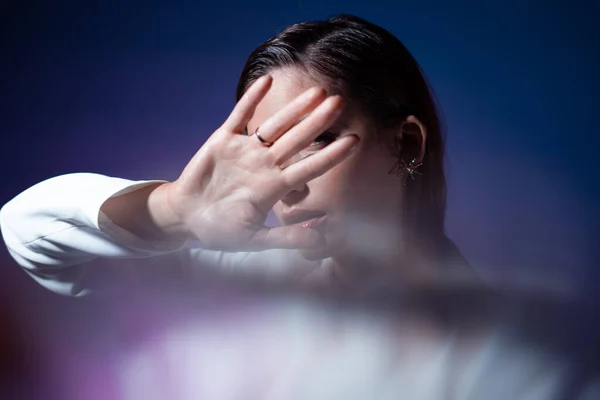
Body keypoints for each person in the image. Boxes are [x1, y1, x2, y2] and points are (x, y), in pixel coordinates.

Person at [0, 14, 479, 297]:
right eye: (265, 148)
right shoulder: (244, 280)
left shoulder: (507, 350)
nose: (284, 184)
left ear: (407, 143)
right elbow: (29, 231)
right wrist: (172, 212)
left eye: (313, 139)